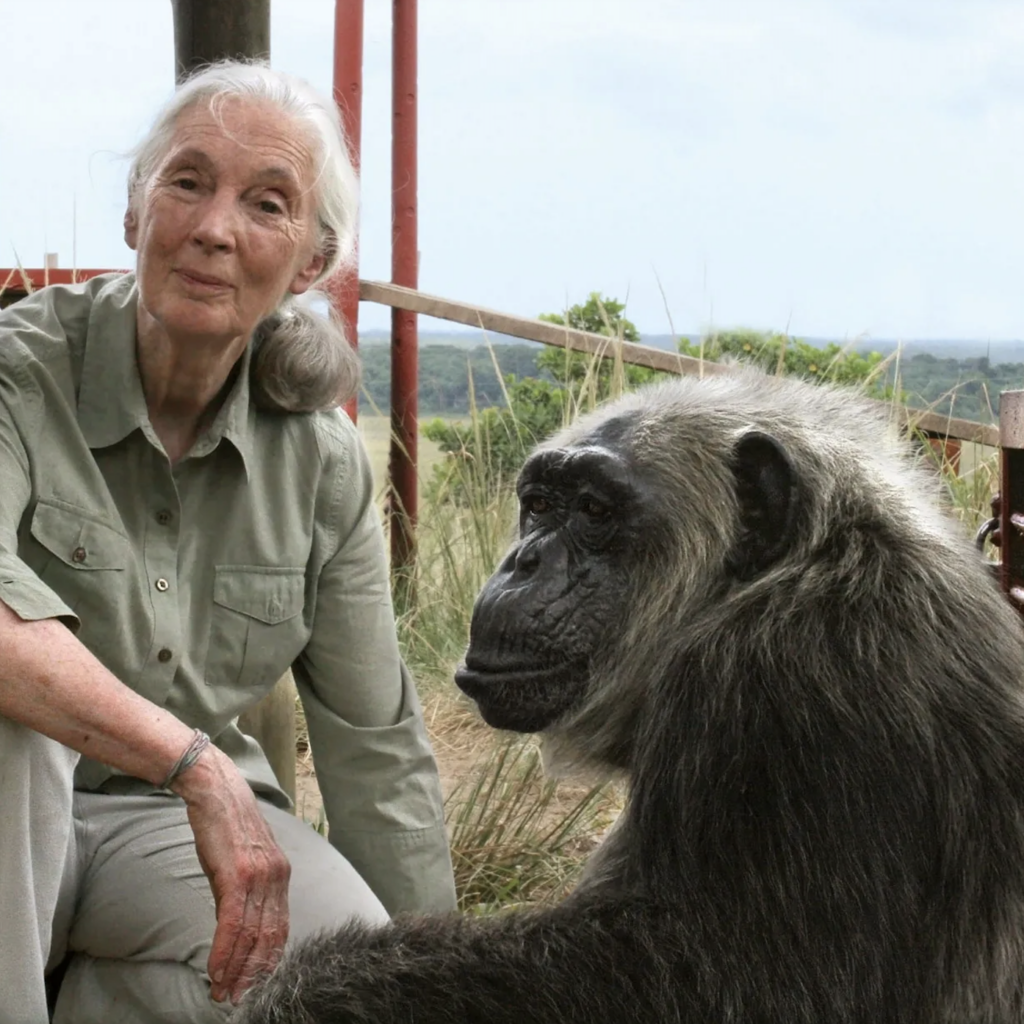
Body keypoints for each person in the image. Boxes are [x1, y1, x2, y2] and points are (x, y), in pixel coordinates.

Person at [0, 60, 456, 1024]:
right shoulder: (17, 377)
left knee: (340, 971)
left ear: (308, 261)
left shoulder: (322, 464)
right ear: (134, 214)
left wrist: (442, 988)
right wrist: (198, 767)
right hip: (15, 824)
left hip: (158, 843)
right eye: (188, 182)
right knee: (14, 729)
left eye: (267, 202)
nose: (214, 229)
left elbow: (375, 747)